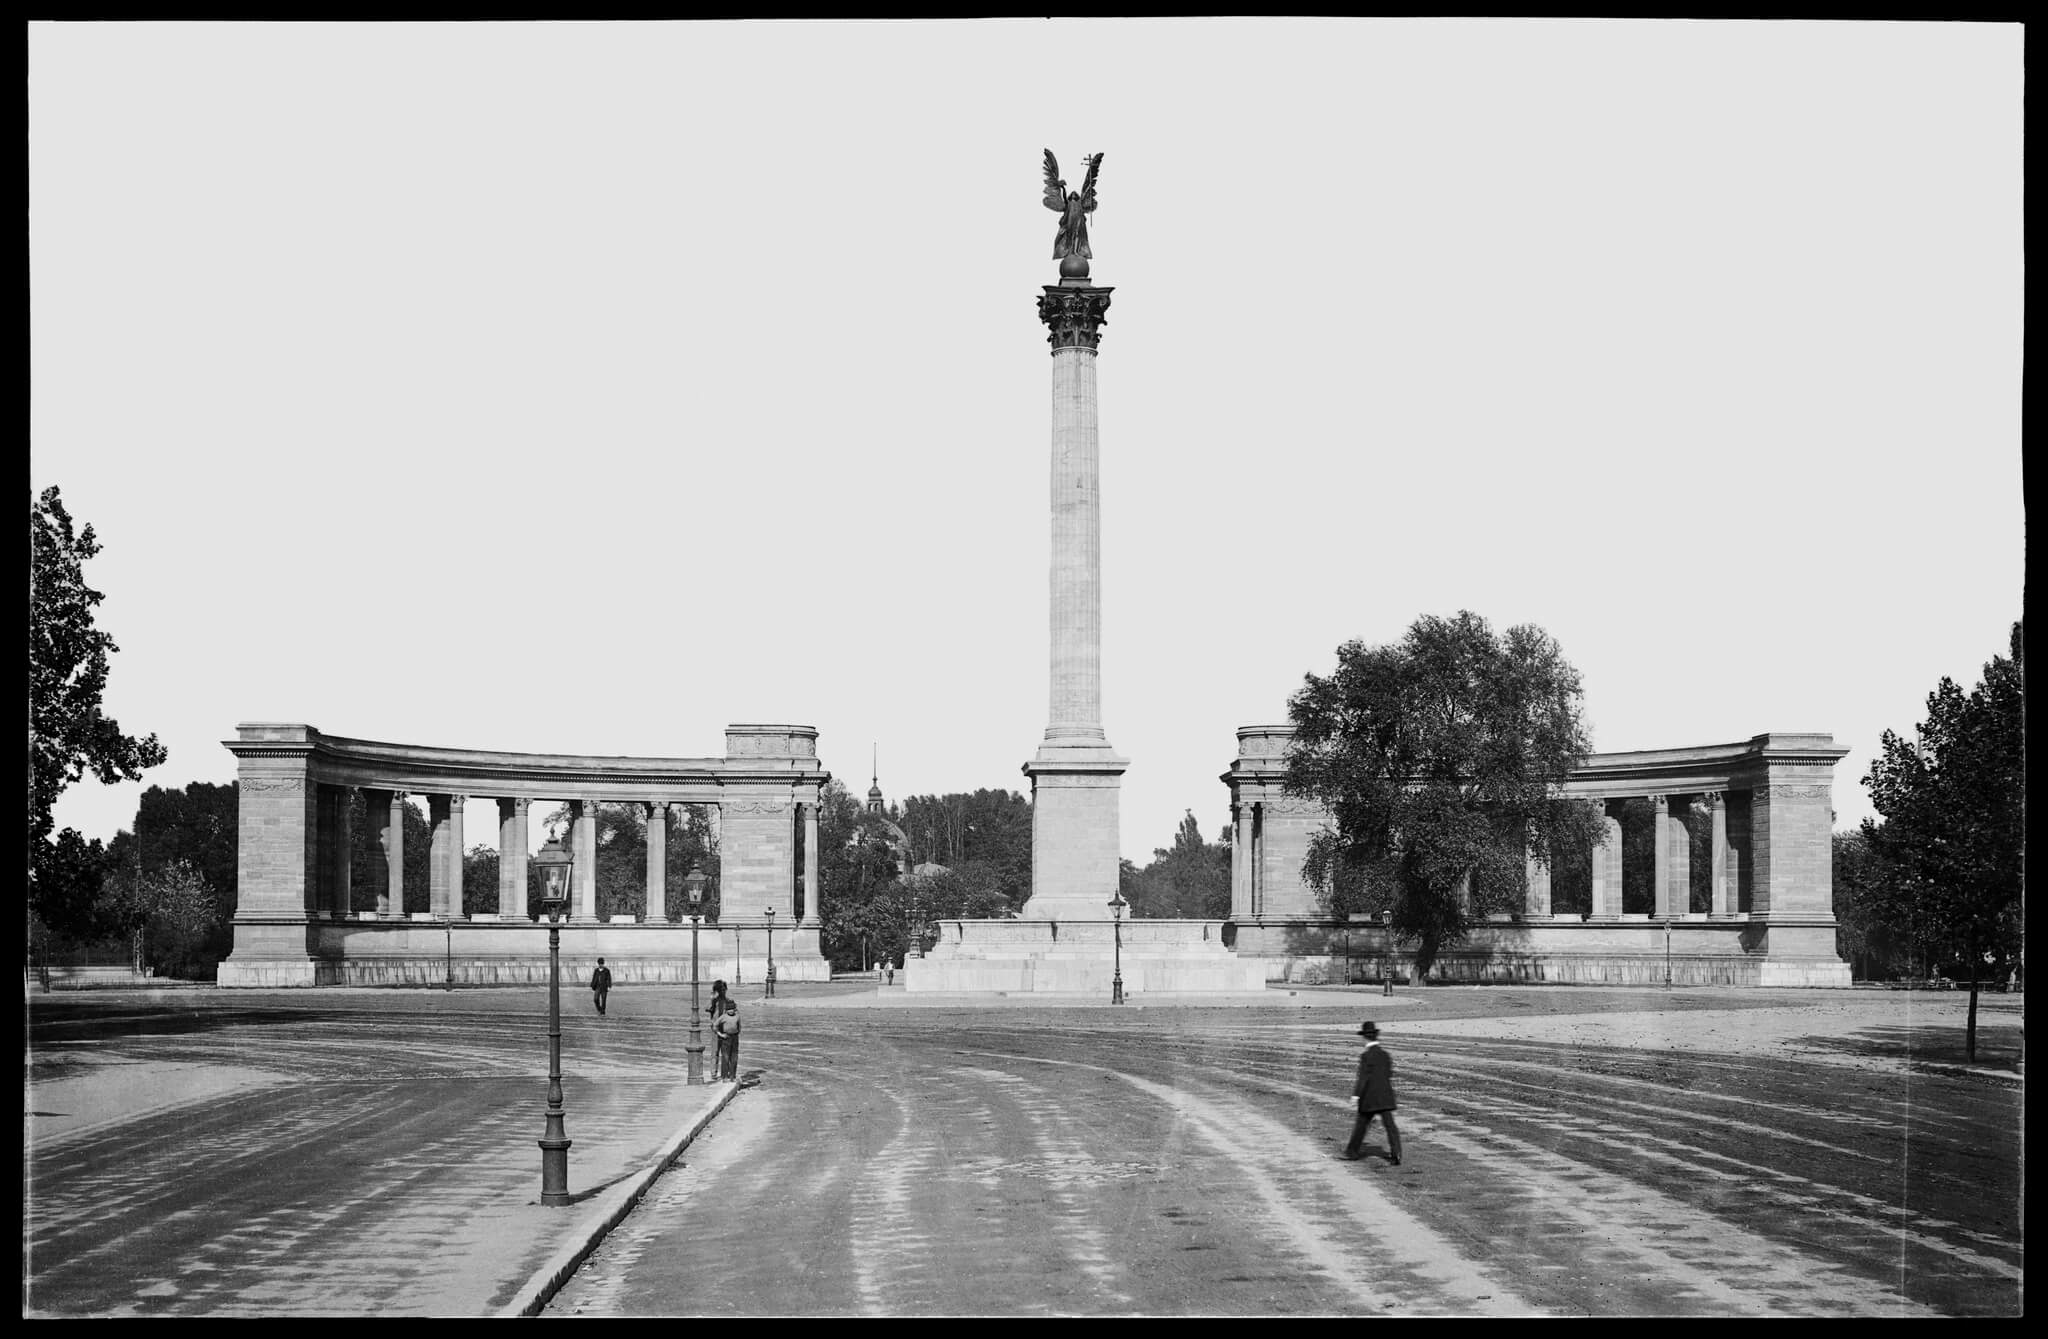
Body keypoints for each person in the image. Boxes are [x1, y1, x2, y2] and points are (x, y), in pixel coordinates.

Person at [1343, 1020, 1402, 1165]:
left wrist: (1356, 1096)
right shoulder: (1385, 1055)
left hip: (1369, 1098)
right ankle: (1397, 1154)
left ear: (1364, 1037)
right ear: (1375, 1036)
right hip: (1385, 1096)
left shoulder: (1366, 1056)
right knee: (1390, 1126)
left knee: (1361, 1126)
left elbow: (1363, 1078)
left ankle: (1352, 1151)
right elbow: (1388, 1074)